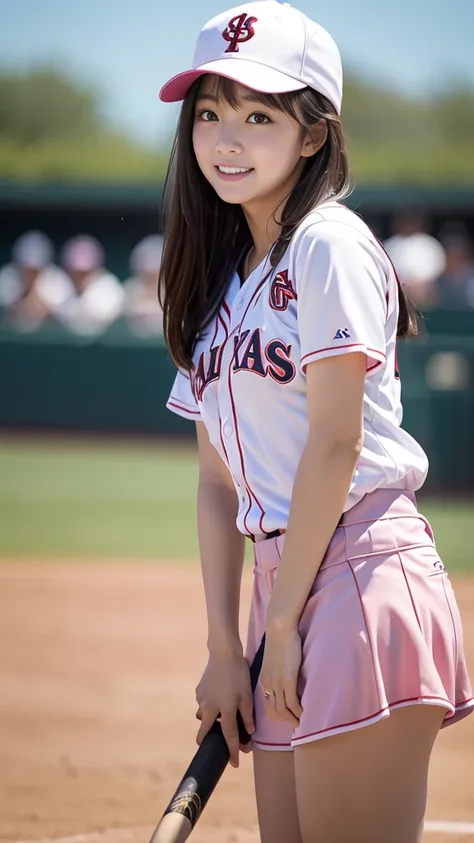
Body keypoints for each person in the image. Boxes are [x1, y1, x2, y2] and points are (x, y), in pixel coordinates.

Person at [158, 3, 474, 842]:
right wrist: (229, 645)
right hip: (288, 585)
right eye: (210, 113)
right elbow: (216, 480)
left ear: (311, 135)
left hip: (359, 572)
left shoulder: (328, 243)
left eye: (259, 115)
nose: (228, 137)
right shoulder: (219, 282)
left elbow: (335, 444)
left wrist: (287, 619)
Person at [0, 230, 73, 331]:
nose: (31, 273)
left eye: (36, 269)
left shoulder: (57, 279)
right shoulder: (7, 276)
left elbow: (54, 314)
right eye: (27, 268)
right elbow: (10, 311)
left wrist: (34, 291)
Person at [56, 235, 124, 336]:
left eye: (85, 272)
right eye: (75, 272)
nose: (79, 277)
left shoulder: (110, 289)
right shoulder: (60, 285)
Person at [384, 213, 446, 309]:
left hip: (425, 293)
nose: (410, 225)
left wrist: (420, 284)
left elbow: (438, 270)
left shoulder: (430, 243)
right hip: (400, 292)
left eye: (413, 221)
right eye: (406, 221)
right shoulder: (391, 244)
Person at [123, 234, 164, 336]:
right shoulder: (130, 289)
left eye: (155, 272)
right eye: (147, 272)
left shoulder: (175, 293)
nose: (151, 275)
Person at [435, 228, 474, 309]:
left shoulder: (471, 278)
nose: (453, 260)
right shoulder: (438, 278)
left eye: (456, 256)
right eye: (450, 255)